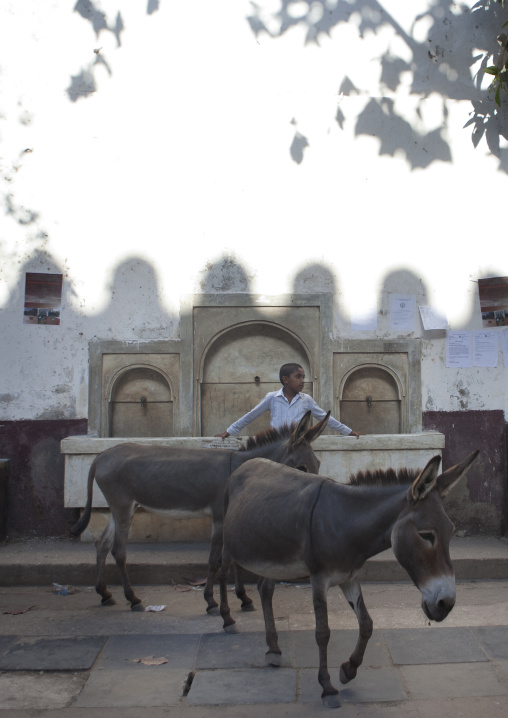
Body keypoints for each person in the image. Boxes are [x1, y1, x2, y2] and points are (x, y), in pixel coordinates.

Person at [215, 362, 360, 439]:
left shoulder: (306, 400)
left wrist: (349, 432)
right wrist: (229, 432)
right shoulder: (272, 398)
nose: (303, 381)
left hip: (298, 445)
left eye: (303, 377)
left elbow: (326, 419)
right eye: (298, 377)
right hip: (276, 445)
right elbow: (251, 416)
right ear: (285, 379)